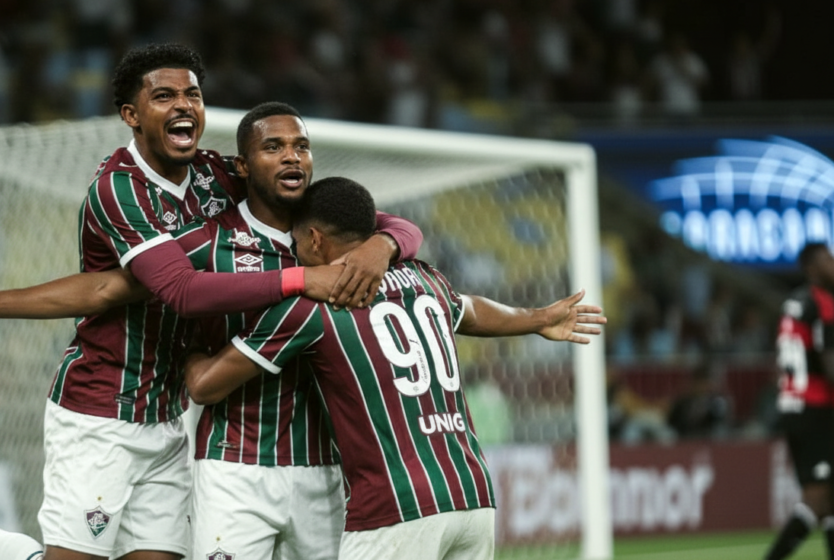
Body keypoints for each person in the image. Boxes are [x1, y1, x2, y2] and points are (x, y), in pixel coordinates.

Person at [0, 46, 420, 560]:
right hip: (102, 408)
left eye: (193, 94)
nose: (184, 106)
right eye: (164, 96)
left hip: (169, 414)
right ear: (131, 115)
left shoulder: (213, 174)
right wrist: (300, 280)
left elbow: (113, 285)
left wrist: (382, 243)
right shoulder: (119, 188)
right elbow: (178, 291)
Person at [184, 176, 606, 560]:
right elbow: (472, 310)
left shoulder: (314, 307)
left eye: (295, 241)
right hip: (473, 495)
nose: (292, 251)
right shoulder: (427, 278)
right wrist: (536, 318)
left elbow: (204, 386)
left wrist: (182, 329)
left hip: (395, 507)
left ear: (314, 239)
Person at [764, 242, 834, 560]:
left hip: (793, 405)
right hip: (816, 407)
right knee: (817, 499)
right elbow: (830, 362)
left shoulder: (792, 302)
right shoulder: (823, 302)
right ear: (811, 268)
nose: (833, 264)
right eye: (827, 260)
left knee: (829, 498)